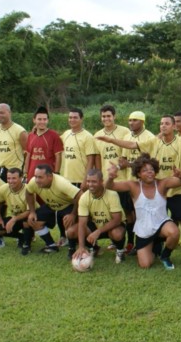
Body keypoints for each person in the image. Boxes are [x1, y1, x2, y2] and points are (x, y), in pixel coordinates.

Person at [97, 114, 181, 264]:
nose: (163, 126)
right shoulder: (154, 141)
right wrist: (111, 140)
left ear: (174, 126)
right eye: (161, 123)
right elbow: (132, 145)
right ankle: (153, 246)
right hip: (155, 188)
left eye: (166, 123)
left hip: (174, 187)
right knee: (151, 219)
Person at [105, 154, 181, 269]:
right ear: (139, 174)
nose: (149, 172)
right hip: (144, 230)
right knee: (145, 265)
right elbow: (110, 186)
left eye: (151, 169)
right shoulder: (133, 186)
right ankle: (155, 247)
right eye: (145, 170)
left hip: (161, 225)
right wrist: (111, 177)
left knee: (174, 232)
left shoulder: (162, 183)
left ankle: (165, 256)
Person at [93, 104, 131, 251]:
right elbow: (97, 158)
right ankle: (115, 242)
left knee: (128, 214)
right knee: (112, 213)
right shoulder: (97, 135)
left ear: (114, 116)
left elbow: (127, 154)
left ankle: (130, 242)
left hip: (122, 180)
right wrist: (100, 178)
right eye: (103, 116)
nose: (106, 118)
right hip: (106, 183)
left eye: (109, 116)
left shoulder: (124, 131)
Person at [70, 169, 127, 265]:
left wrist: (98, 231)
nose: (90, 184)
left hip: (113, 226)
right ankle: (93, 249)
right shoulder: (84, 197)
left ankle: (120, 251)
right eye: (88, 181)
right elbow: (82, 223)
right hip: (96, 224)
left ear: (101, 182)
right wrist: (81, 246)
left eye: (94, 181)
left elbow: (117, 220)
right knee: (72, 231)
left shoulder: (112, 194)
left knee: (117, 233)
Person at [118, 110, 154, 252]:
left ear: (142, 121)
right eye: (130, 120)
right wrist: (122, 163)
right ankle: (131, 242)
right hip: (129, 182)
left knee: (141, 215)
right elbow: (124, 159)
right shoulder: (127, 136)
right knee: (128, 214)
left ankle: (144, 243)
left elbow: (150, 164)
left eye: (135, 120)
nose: (131, 123)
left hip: (143, 185)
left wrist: (129, 165)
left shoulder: (149, 137)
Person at [60, 107, 97, 246]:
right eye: (70, 117)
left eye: (75, 117)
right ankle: (67, 237)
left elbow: (91, 160)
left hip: (80, 181)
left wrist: (86, 180)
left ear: (81, 119)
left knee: (81, 211)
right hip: (67, 180)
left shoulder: (87, 136)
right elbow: (56, 142)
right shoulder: (66, 134)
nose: (72, 120)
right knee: (67, 212)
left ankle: (87, 241)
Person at [25, 164, 82, 254]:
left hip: (67, 205)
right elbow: (28, 192)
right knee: (33, 220)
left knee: (69, 224)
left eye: (40, 177)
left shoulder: (61, 183)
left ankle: (72, 248)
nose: (37, 180)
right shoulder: (33, 182)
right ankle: (51, 246)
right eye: (35, 176)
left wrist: (73, 214)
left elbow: (80, 195)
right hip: (51, 206)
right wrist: (32, 212)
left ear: (50, 176)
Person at [0, 167, 29, 249]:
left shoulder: (28, 190)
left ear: (21, 178)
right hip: (16, 218)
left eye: (14, 178)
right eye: (8, 178)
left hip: (29, 217)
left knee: (27, 221)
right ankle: (21, 237)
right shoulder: (4, 188)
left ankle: (27, 241)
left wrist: (13, 219)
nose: (11, 181)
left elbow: (30, 211)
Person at [24, 107, 63, 181]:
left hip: (47, 178)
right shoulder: (31, 135)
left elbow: (58, 156)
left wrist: (56, 173)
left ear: (47, 120)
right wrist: (26, 173)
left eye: (45, 119)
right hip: (31, 177)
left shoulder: (54, 135)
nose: (42, 122)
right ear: (34, 120)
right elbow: (28, 156)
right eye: (39, 119)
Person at [0, 103, 27, 181]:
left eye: (2, 113)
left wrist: (25, 170)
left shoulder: (20, 131)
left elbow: (27, 152)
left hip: (14, 171)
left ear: (9, 113)